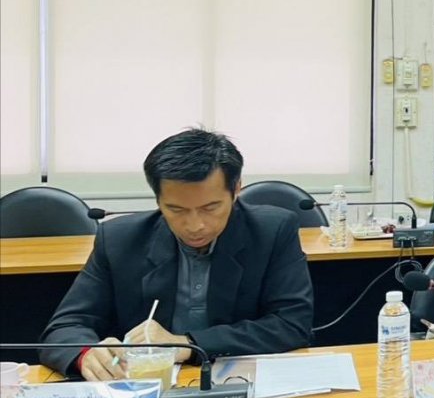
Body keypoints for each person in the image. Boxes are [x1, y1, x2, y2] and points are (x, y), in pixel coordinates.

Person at [40, 129, 314, 380]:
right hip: (144, 385)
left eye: (210, 208)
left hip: (237, 380)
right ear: (158, 199)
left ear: (236, 189)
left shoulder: (272, 230)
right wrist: (86, 354)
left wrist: (186, 344)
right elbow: (64, 327)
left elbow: (291, 324)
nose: (195, 225)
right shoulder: (119, 240)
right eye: (176, 209)